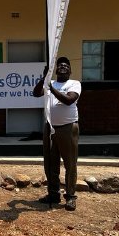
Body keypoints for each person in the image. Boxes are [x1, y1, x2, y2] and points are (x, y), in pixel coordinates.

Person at [32, 56, 81, 211]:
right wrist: (45, 78)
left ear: (70, 70)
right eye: (60, 65)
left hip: (68, 128)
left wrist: (51, 89)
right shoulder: (50, 83)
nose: (63, 67)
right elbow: (35, 93)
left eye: (66, 65)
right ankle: (53, 194)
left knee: (70, 164)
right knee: (50, 163)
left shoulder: (74, 84)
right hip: (50, 128)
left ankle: (71, 197)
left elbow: (69, 100)